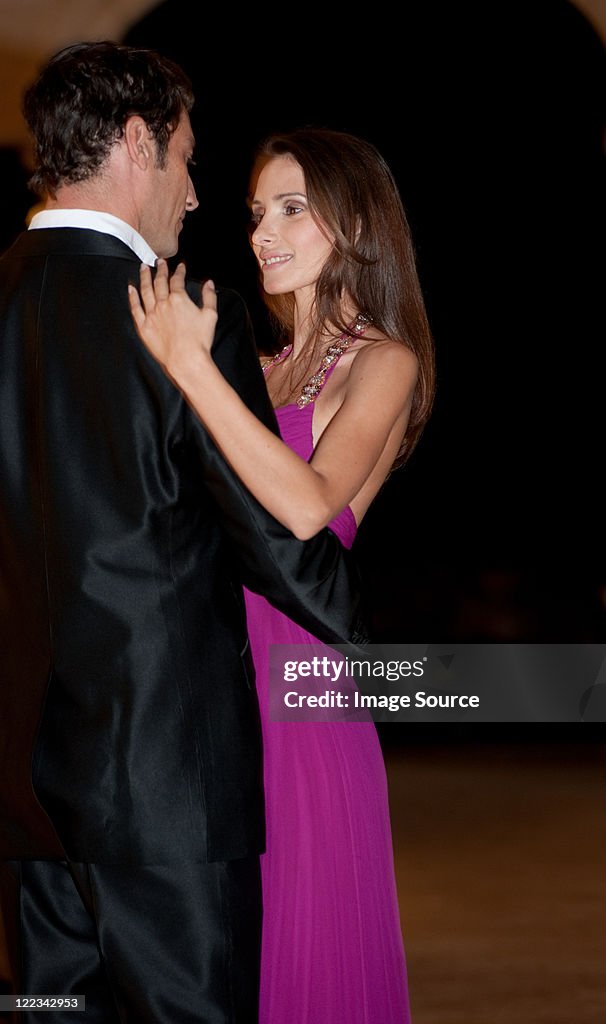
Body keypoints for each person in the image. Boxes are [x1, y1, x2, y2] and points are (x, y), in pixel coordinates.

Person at [0, 44, 367, 1024]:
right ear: (135, 144)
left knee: (44, 1015)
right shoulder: (185, 315)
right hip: (164, 796)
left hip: (22, 806)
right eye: (187, 160)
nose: (197, 196)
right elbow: (278, 543)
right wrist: (342, 610)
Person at [129, 127, 436, 1024]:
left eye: (294, 208)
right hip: (215, 672)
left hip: (303, 682)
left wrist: (188, 363)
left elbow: (308, 507)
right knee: (230, 942)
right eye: (260, 211)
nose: (264, 230)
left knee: (309, 939)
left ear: (356, 222)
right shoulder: (254, 366)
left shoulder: (386, 362)